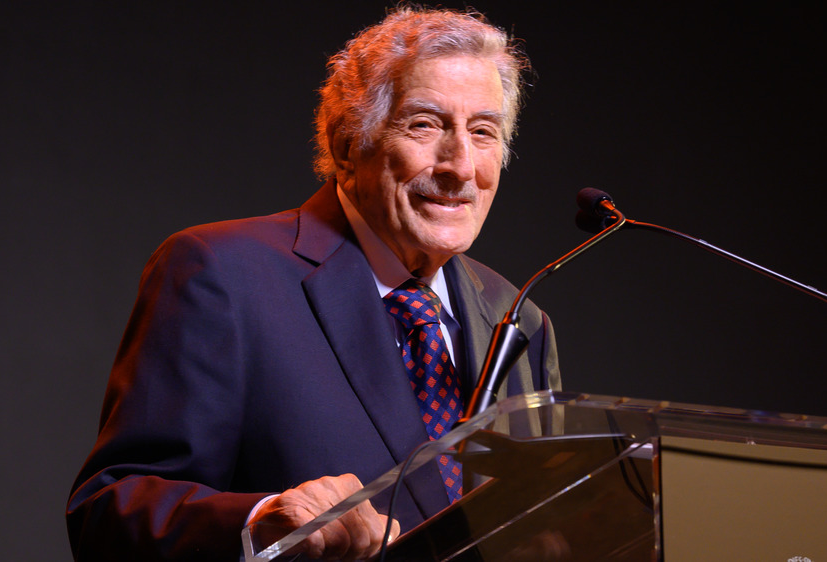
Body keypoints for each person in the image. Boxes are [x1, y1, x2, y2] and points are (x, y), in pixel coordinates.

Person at [66, 7, 560, 561]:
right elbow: (110, 513)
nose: (462, 166)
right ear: (350, 145)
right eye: (425, 124)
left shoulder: (519, 319)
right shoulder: (222, 274)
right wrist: (263, 526)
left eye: (483, 133)